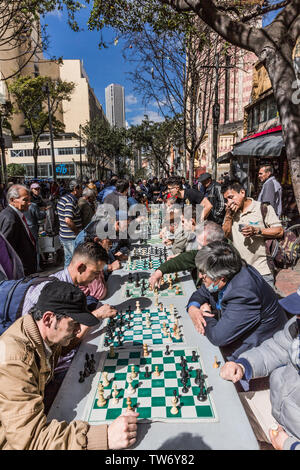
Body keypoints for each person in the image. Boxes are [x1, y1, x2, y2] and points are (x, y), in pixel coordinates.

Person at [0, 281, 139, 450]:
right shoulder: (15, 360)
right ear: (48, 318)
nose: (77, 330)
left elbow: (64, 344)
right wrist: (105, 437)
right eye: (74, 324)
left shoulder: (39, 331)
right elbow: (32, 441)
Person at [220, 287, 300, 450]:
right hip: (278, 406)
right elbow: (278, 347)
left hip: (293, 434)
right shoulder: (298, 324)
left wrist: (289, 445)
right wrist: (244, 365)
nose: (297, 317)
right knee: (223, 408)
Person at [186, 241, 287, 359]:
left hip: (262, 347)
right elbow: (202, 292)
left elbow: (218, 337)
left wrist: (206, 315)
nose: (200, 276)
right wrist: (192, 308)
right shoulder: (227, 270)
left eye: (204, 274)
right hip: (240, 331)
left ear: (222, 279)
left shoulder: (244, 294)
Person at [222, 181, 283, 287]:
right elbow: (224, 234)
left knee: (266, 302)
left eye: (231, 197)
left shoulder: (262, 208)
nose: (229, 202)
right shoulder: (231, 213)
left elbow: (279, 231)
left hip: (262, 270)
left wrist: (257, 231)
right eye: (226, 199)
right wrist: (228, 215)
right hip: (240, 271)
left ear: (242, 192)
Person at [149, 220, 225, 289]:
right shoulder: (209, 250)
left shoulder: (225, 260)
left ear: (215, 244)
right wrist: (160, 271)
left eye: (201, 245)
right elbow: (186, 259)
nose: (198, 248)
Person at [0, 184, 37, 275]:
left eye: (29, 200)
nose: (29, 203)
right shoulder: (10, 219)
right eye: (25, 200)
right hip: (20, 271)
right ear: (12, 200)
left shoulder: (15, 214)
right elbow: (6, 250)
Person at [57, 179, 82, 267]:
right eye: (80, 188)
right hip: (71, 237)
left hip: (64, 236)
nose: (81, 191)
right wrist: (77, 233)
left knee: (68, 260)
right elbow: (68, 220)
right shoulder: (70, 201)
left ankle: (66, 280)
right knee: (75, 262)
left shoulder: (63, 198)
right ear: (75, 189)